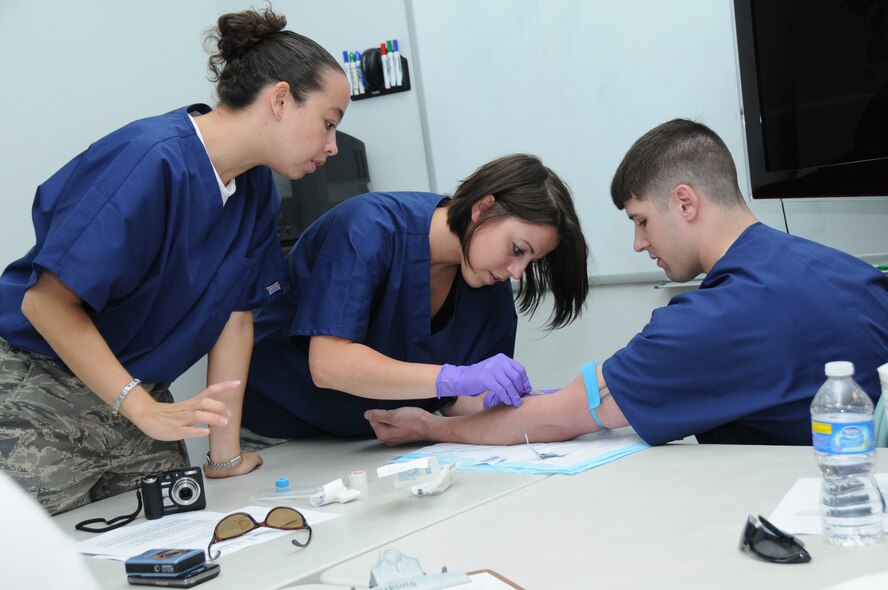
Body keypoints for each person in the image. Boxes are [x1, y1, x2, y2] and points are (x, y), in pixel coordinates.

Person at [0, 6, 350, 515]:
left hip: (136, 396)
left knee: (177, 540)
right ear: (280, 100)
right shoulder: (149, 159)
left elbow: (236, 317)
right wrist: (139, 407)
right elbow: (45, 304)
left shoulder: (255, 192)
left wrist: (224, 455)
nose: (332, 146)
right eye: (327, 124)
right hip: (40, 385)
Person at [365, 119, 888, 447]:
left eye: (640, 220)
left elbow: (556, 420)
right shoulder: (853, 272)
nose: (639, 244)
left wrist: (431, 428)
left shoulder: (715, 318)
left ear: (684, 202)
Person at [241, 154, 590, 442]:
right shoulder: (368, 230)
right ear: (483, 209)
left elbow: (455, 402)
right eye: (517, 249)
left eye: (531, 262)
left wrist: (532, 404)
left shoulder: (487, 286)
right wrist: (455, 376)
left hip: (366, 444)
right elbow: (329, 365)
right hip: (278, 435)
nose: (516, 272)